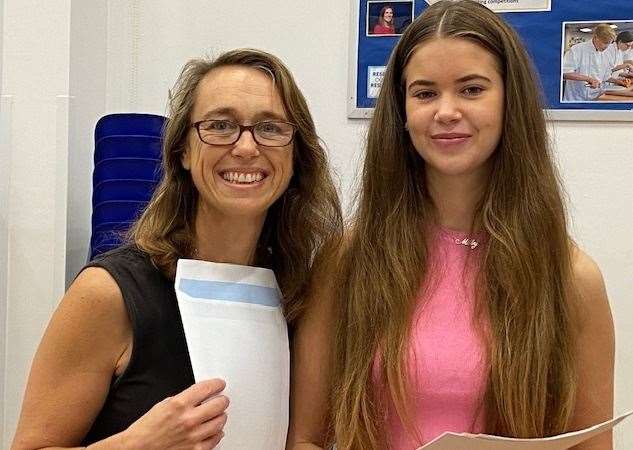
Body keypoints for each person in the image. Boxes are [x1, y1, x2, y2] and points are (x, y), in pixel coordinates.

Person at [288, 1, 614, 449]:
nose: (446, 111)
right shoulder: (347, 261)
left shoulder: (573, 278)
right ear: (401, 111)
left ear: (509, 101)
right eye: (424, 93)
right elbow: (304, 438)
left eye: (471, 89)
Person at [11, 48, 342, 449]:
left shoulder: (299, 297)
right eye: (220, 125)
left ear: (296, 155)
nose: (246, 147)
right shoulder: (109, 293)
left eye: (270, 128)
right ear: (183, 150)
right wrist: (136, 445)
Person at [563, 24, 616, 101]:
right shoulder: (577, 50)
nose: (606, 46)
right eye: (604, 42)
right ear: (595, 37)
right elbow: (565, 73)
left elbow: (606, 76)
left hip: (597, 96)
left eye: (609, 43)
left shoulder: (606, 53)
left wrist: (618, 81)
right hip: (577, 97)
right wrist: (588, 79)